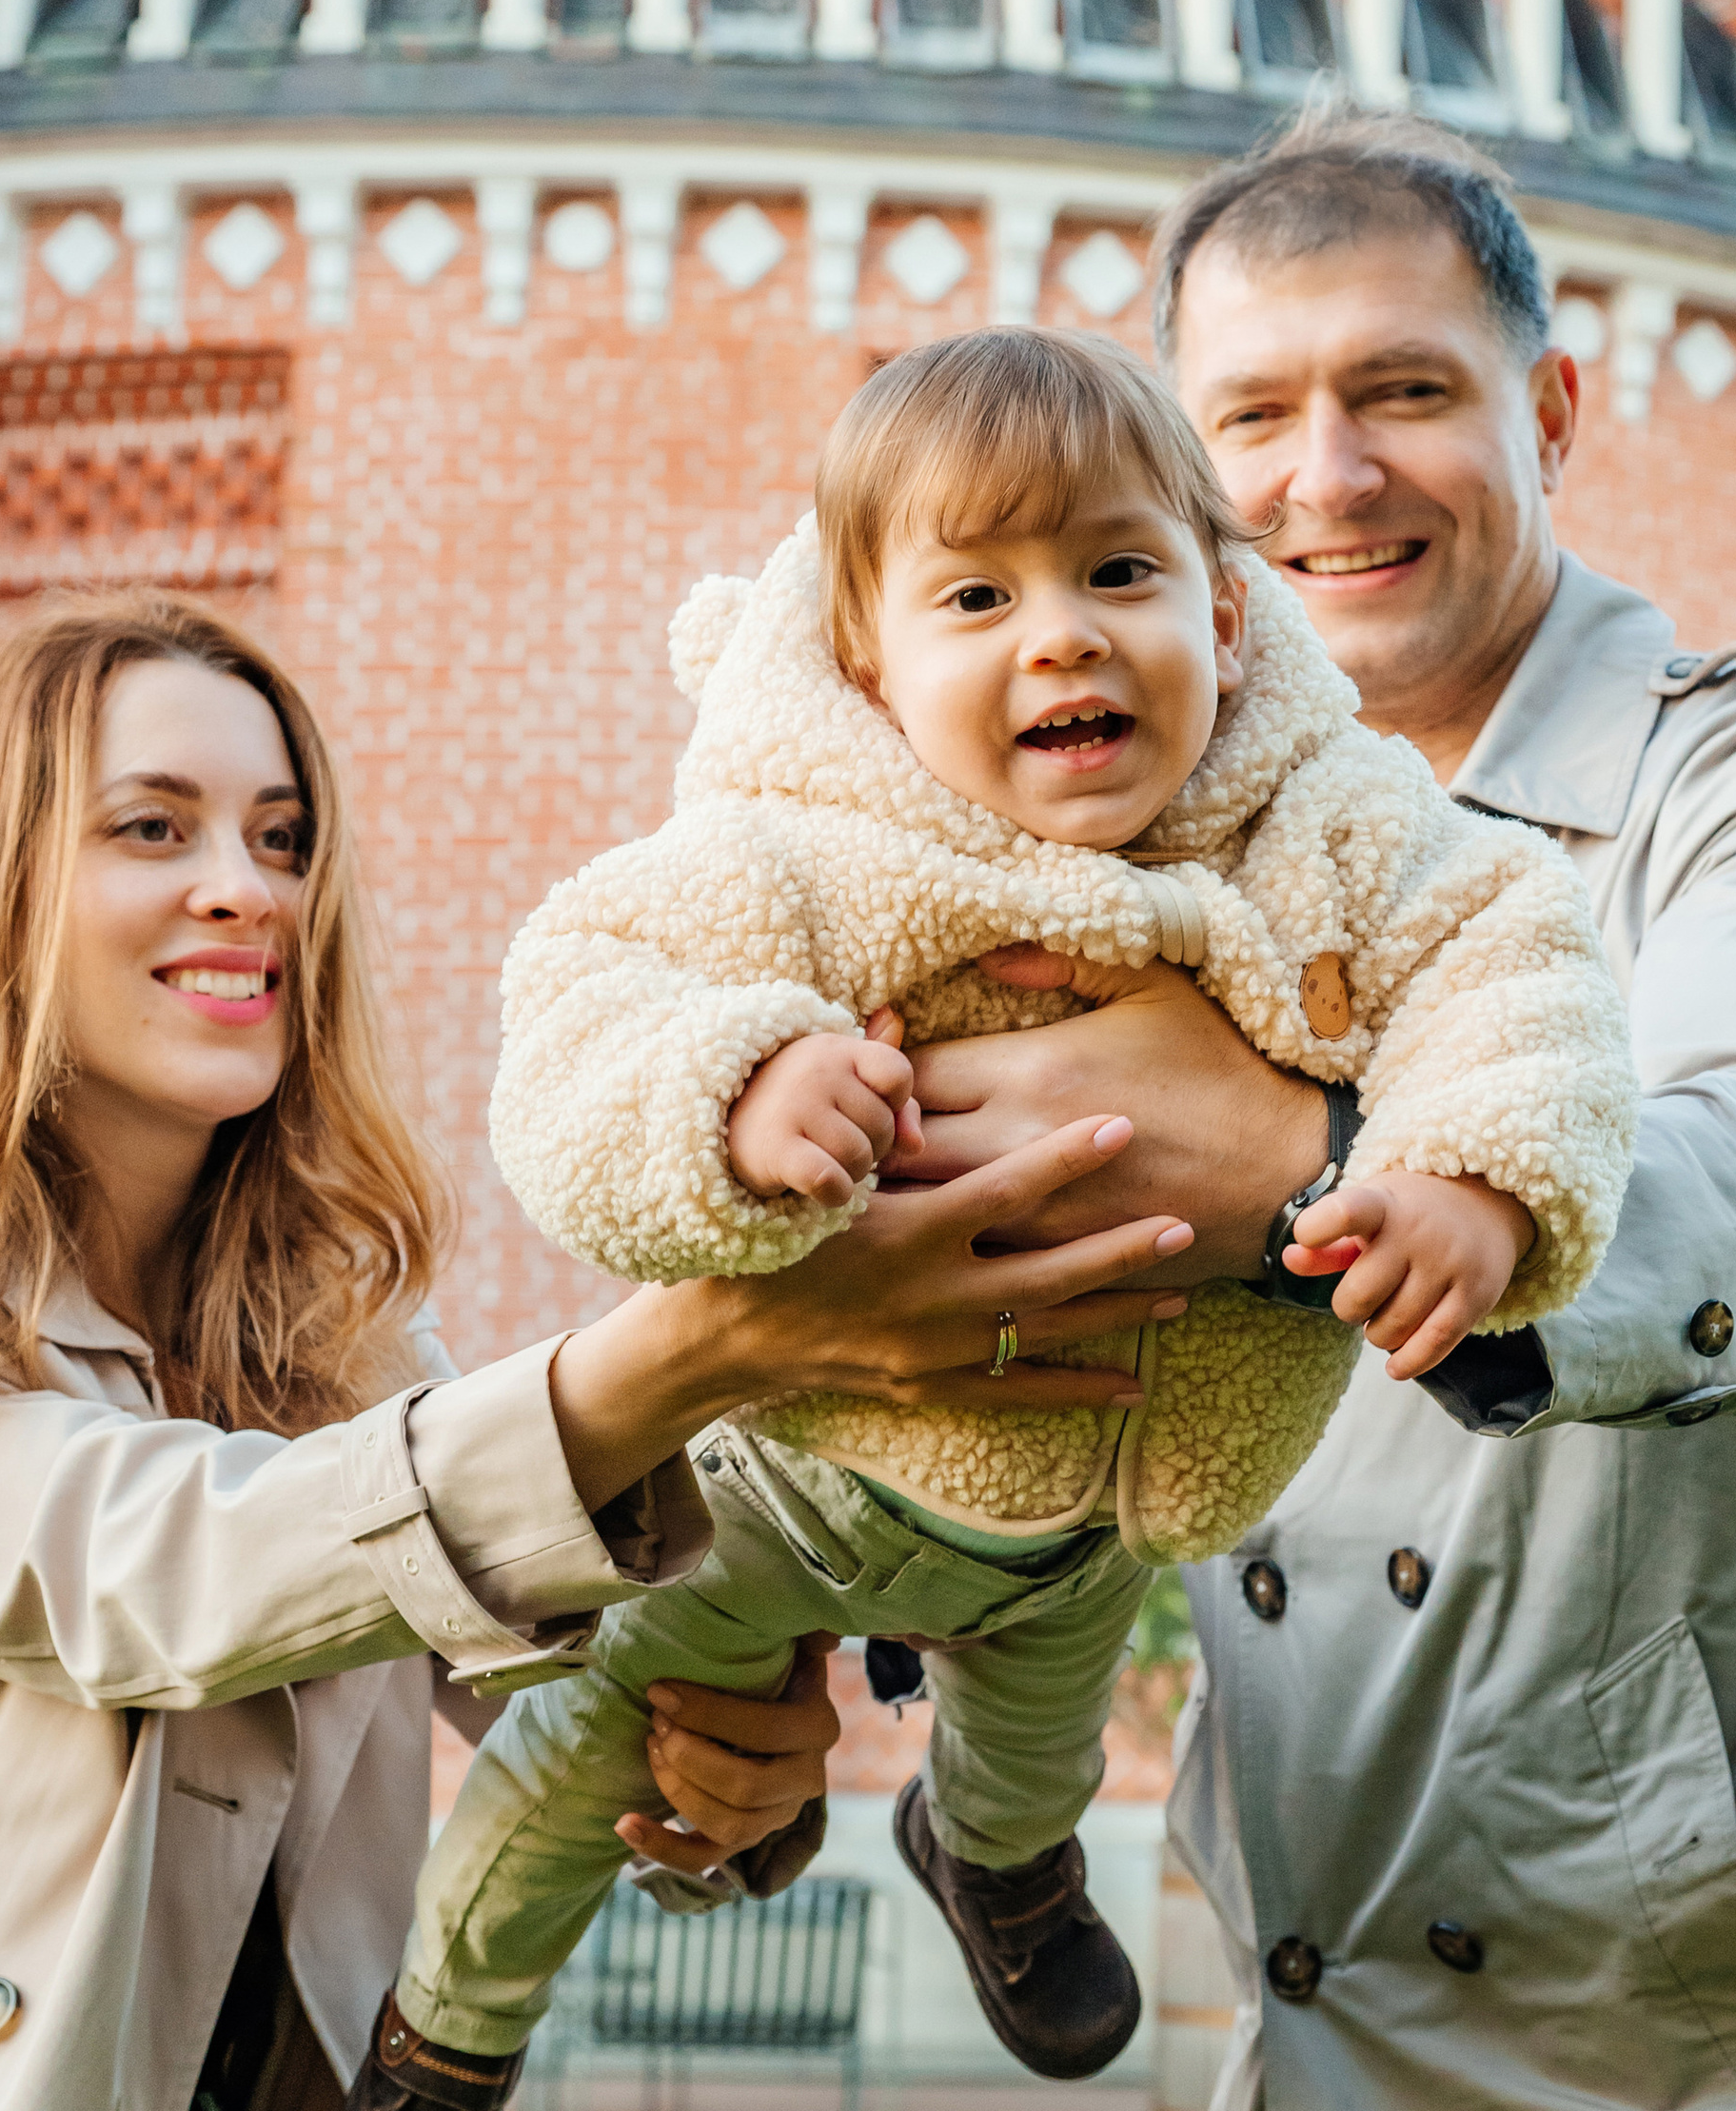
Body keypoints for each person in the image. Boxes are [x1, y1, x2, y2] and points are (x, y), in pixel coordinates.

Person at [877, 109, 1736, 2107]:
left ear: (1552, 408)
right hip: (1327, 2004)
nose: (1324, 477)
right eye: (1249, 417)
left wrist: (1310, 1168)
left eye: (1403, 391)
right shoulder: (1129, 859)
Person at [363, 327, 1636, 2101]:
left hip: (1092, 1510)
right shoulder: (798, 848)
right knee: (595, 1754)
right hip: (774, 1484)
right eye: (978, 597)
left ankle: (995, 1869)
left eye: (1122, 571)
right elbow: (581, 1008)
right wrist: (734, 1086)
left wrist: (1474, 1173)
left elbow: (1511, 964)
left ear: (1231, 616)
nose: (1064, 634)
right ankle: (442, 2041)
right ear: (865, 664)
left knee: (1029, 1759)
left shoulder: (1330, 829)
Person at [0, 592, 1189, 2111]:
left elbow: (545, 1660)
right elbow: (166, 1576)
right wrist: (706, 1345)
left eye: (283, 840)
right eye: (153, 830)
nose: (247, 890)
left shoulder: (335, 1342)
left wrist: (726, 1751)